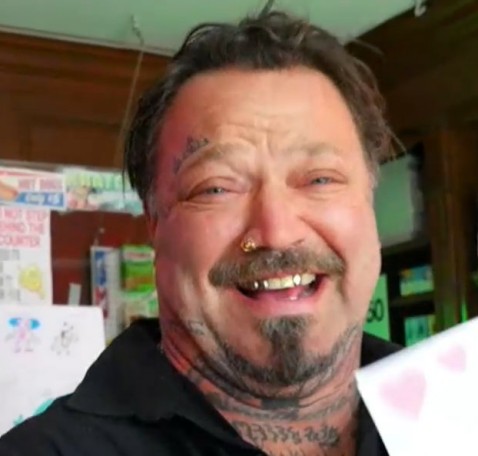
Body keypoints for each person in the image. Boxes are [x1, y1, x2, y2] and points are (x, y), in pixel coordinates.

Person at [0, 9, 399, 456]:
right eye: (216, 188)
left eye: (320, 179)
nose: (278, 232)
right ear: (155, 226)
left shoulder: (453, 411)